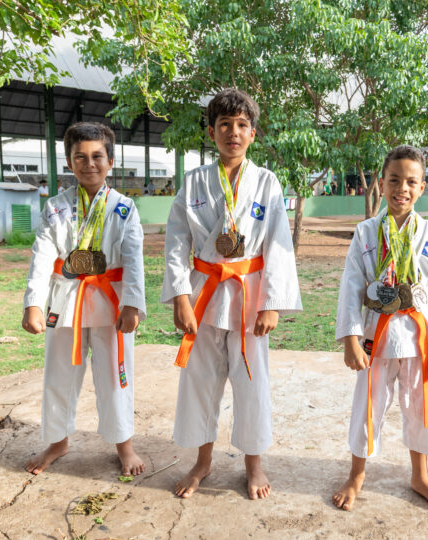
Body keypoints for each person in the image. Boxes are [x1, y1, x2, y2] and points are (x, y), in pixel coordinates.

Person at [162, 88, 302, 500]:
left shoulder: (267, 182)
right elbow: (175, 242)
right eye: (225, 125)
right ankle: (202, 462)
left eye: (242, 125)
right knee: (201, 382)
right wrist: (181, 297)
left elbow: (278, 242)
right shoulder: (194, 183)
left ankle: (253, 465)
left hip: (249, 298)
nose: (233, 132)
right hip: (204, 296)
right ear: (211, 131)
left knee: (252, 383)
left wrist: (272, 304)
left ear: (253, 134)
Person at [332, 145, 428, 513]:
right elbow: (350, 289)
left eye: (411, 181)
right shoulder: (365, 233)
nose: (401, 189)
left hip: (420, 338)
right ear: (382, 182)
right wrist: (350, 339)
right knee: (367, 407)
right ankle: (357, 474)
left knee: (422, 408)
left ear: (423, 187)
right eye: (394, 180)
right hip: (377, 336)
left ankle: (420, 475)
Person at [21, 122, 146, 476]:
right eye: (80, 157)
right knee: (59, 374)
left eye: (96, 156)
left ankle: (124, 445)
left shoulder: (124, 208)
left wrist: (133, 305)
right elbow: (42, 254)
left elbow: (134, 259)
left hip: (111, 303)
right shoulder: (56, 208)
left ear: (110, 161)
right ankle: (58, 441)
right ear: (69, 161)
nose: (89, 163)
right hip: (66, 301)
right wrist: (33, 302)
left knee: (116, 375)